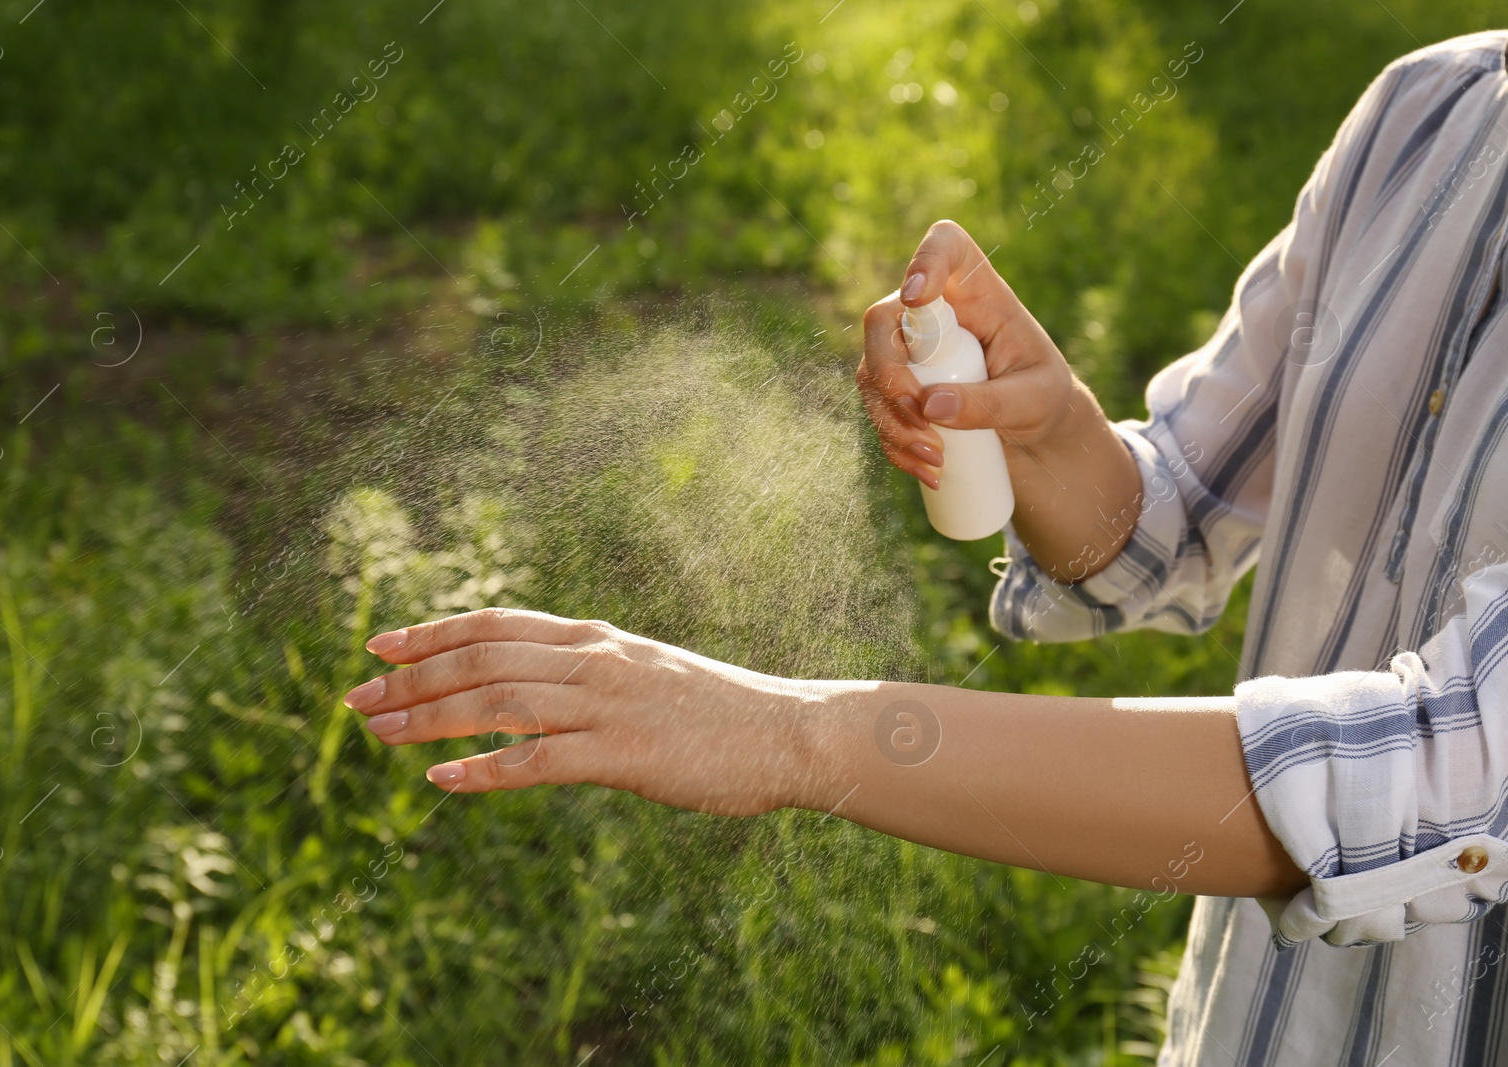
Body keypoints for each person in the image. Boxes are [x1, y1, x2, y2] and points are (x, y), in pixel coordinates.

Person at [345, 30, 1508, 1063]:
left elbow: (1437, 775)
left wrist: (792, 734)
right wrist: (1045, 433)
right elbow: (1177, 518)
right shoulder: (1426, 116)